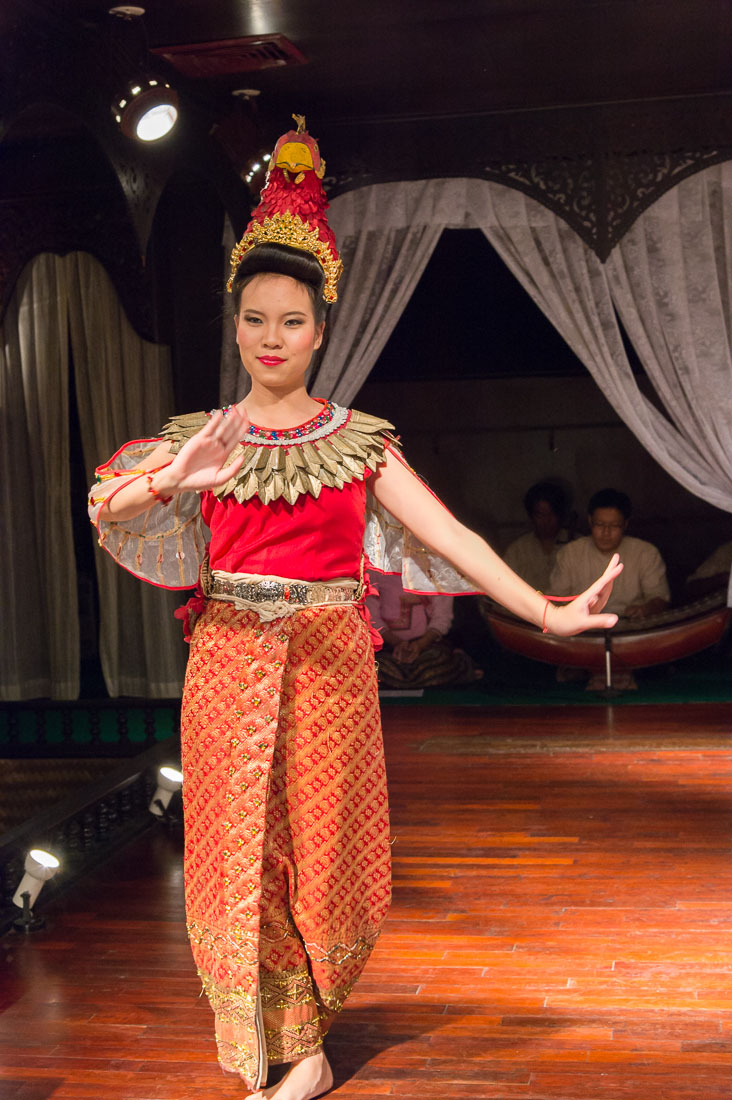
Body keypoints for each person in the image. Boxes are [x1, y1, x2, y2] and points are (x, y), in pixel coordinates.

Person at [88, 117, 622, 1100]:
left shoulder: (360, 441)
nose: (271, 339)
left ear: (322, 329)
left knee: (321, 839)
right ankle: (265, 1044)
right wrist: (179, 476)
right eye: (255, 320)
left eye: (291, 322)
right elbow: (106, 505)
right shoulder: (208, 435)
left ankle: (313, 1041)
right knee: (233, 846)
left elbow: (455, 537)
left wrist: (545, 614)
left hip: (331, 657)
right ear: (237, 322)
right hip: (229, 654)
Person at [550, 488, 669, 620]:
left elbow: (660, 599)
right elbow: (556, 600)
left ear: (625, 524)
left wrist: (645, 609)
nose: (606, 533)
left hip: (631, 628)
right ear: (590, 521)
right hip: (581, 629)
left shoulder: (645, 553)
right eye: (600, 524)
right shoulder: (570, 553)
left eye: (614, 526)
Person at [366, 572, 482, 687]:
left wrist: (419, 645)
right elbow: (372, 618)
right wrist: (398, 644)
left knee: (437, 661)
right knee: (375, 667)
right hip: (388, 647)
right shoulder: (375, 570)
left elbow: (442, 618)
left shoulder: (435, 568)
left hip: (427, 646)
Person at [503, 480, 572, 592]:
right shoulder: (517, 550)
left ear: (560, 514)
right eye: (540, 515)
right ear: (531, 516)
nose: (546, 520)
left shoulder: (576, 545)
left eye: (551, 514)